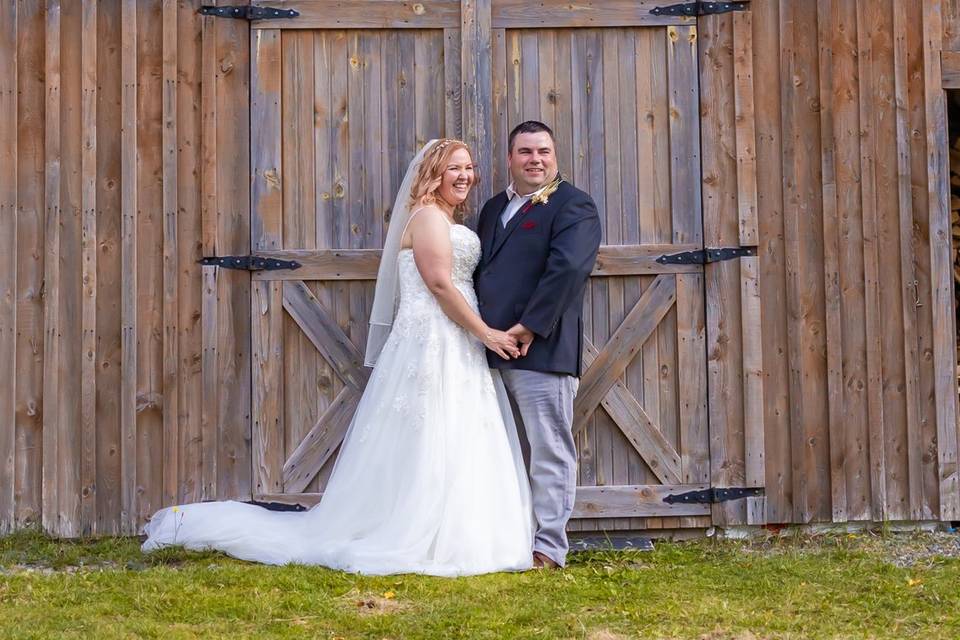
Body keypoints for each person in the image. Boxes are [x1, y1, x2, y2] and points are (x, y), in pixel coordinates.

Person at [141, 139, 535, 577]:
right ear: (433, 174)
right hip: (435, 340)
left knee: (457, 429)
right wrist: (486, 333)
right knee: (434, 429)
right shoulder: (426, 218)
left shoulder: (443, 218)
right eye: (454, 168)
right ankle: (420, 530)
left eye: (469, 167)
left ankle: (459, 528)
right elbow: (441, 285)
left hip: (455, 340)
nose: (465, 176)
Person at [474, 121, 602, 569]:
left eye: (544, 151)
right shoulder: (493, 208)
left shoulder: (574, 205)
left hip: (540, 351)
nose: (535, 160)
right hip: (487, 352)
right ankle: (506, 537)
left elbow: (567, 270)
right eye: (525, 152)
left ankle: (549, 547)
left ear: (555, 155)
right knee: (498, 449)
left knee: (548, 450)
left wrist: (529, 326)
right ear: (509, 158)